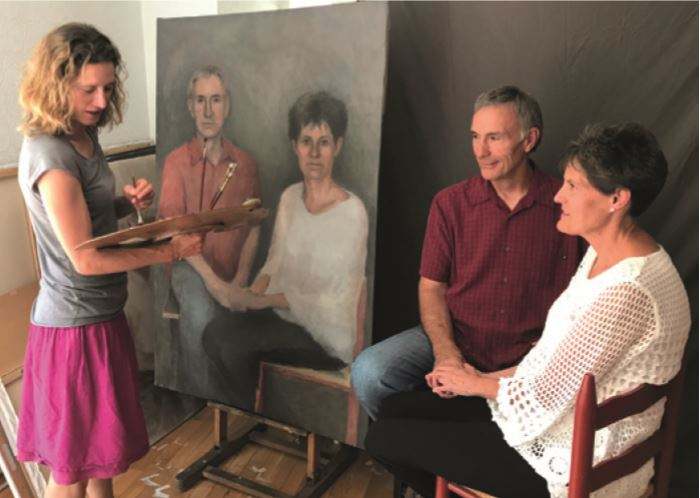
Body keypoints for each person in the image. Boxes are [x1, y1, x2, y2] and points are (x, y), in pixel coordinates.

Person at [365, 122, 690, 498]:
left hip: (576, 460)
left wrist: (470, 383)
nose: (559, 196)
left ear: (616, 199)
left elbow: (546, 396)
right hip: (558, 423)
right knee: (397, 408)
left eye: (573, 186)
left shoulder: (628, 290)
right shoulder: (607, 254)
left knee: (385, 436)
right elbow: (553, 361)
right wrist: (476, 376)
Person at [15, 23, 202, 498]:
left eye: (108, 87)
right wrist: (170, 250)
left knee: (101, 462)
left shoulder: (83, 135)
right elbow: (86, 259)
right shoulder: (50, 153)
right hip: (72, 332)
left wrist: (123, 203)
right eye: (88, 90)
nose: (101, 101)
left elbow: (84, 222)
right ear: (56, 84)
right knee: (71, 472)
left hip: (102, 318)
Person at [351, 86, 582, 420]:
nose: (481, 151)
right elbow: (431, 287)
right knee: (370, 372)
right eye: (475, 137)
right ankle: (411, 451)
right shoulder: (450, 203)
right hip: (458, 337)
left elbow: (590, 297)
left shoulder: (569, 205)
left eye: (494, 138)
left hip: (532, 356)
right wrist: (447, 354)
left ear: (529, 140)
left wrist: (548, 350)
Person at [202, 91, 368, 410]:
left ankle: (258, 417)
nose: (314, 153)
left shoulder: (353, 213)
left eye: (324, 142)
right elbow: (273, 264)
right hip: (285, 319)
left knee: (235, 349)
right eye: (306, 141)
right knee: (213, 333)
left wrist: (261, 301)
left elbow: (328, 297)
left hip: (325, 335)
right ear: (294, 146)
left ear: (338, 146)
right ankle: (250, 413)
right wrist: (249, 295)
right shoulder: (290, 198)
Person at [158, 65, 261, 395]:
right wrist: (217, 286)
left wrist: (240, 280)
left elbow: (253, 227)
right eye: (200, 100)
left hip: (233, 271)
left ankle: (238, 403)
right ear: (190, 106)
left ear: (226, 106)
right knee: (201, 315)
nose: (207, 111)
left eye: (215, 100)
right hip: (191, 269)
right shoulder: (176, 162)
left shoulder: (245, 163)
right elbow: (175, 233)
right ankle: (202, 403)